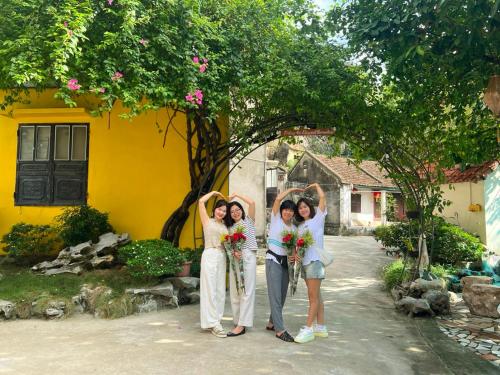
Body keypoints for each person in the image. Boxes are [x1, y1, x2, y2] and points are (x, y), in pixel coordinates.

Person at [266, 187, 304, 342]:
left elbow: (295, 248)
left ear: (294, 214)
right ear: (281, 211)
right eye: (286, 210)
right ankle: (280, 330)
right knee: (275, 296)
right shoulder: (275, 220)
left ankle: (271, 322)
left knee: (281, 296)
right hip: (273, 260)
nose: (288, 213)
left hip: (286, 264)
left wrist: (295, 256)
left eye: (291, 211)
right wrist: (293, 190)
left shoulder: (294, 229)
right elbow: (277, 200)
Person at [293, 183, 328, 344]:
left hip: (315, 262)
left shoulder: (318, 219)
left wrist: (315, 185)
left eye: (305, 206)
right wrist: (296, 254)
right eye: (300, 208)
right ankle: (321, 327)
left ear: (310, 208)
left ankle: (308, 329)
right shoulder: (299, 226)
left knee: (312, 297)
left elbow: (322, 197)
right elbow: (298, 245)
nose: (303, 209)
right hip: (305, 264)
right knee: (317, 296)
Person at [224, 193, 258, 337]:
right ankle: (237, 320)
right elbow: (228, 245)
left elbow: (252, 203)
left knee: (246, 291)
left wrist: (237, 195)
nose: (235, 213)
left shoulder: (248, 221)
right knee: (235, 290)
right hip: (235, 259)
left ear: (242, 211)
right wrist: (233, 252)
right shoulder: (230, 228)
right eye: (232, 212)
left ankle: (242, 324)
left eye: (237, 210)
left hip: (248, 256)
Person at [198, 191, 228, 338]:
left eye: (224, 211)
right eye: (219, 209)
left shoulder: (225, 226)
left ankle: (217, 320)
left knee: (220, 290)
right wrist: (215, 193)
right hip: (210, 254)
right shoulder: (207, 221)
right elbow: (201, 202)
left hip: (222, 256)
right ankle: (212, 323)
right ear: (214, 209)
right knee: (210, 289)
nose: (221, 212)